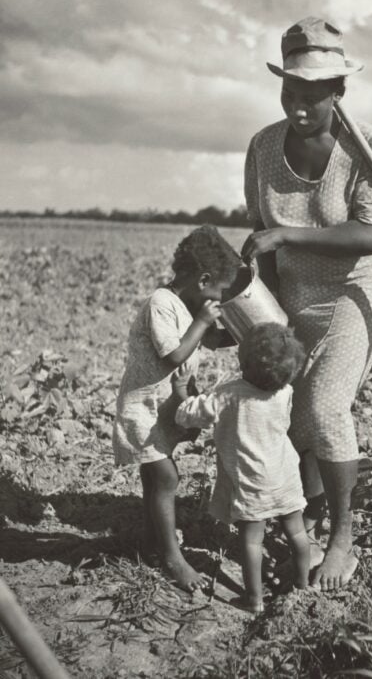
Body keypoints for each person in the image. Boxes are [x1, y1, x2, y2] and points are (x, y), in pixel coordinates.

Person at [240, 17, 372, 591]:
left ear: (339, 93)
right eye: (290, 95)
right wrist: (264, 307)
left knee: (326, 410)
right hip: (295, 296)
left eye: (312, 98)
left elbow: (371, 234)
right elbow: (260, 231)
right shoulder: (262, 146)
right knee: (291, 415)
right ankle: (302, 520)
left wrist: (286, 235)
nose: (298, 108)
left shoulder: (366, 146)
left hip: (357, 292)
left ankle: (342, 539)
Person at [112, 225, 240, 592]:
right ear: (203, 280)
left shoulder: (186, 304)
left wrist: (241, 328)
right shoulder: (161, 304)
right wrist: (202, 322)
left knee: (156, 478)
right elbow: (173, 354)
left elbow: (211, 340)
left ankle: (154, 543)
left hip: (162, 407)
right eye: (221, 290)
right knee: (166, 478)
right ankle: (172, 558)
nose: (221, 298)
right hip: (143, 408)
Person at [173, 323, 310, 613]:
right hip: (285, 474)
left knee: (251, 540)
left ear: (243, 362)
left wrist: (181, 390)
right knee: (297, 533)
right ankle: (301, 586)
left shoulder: (229, 395)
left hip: (252, 482)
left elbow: (190, 415)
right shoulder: (285, 392)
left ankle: (254, 599)